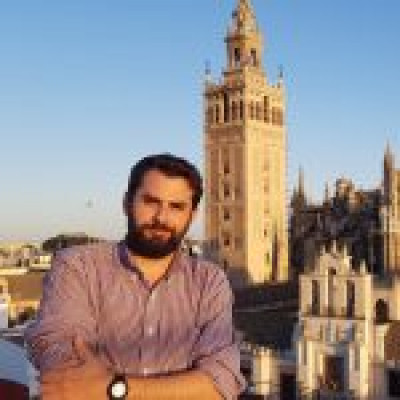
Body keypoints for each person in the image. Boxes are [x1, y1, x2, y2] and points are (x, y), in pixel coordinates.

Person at [26, 153, 245, 400]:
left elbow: (221, 385)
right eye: (151, 202)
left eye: (176, 207)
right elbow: (66, 371)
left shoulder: (209, 281)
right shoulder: (78, 267)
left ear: (192, 216)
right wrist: (186, 388)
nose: (161, 217)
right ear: (127, 203)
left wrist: (114, 388)